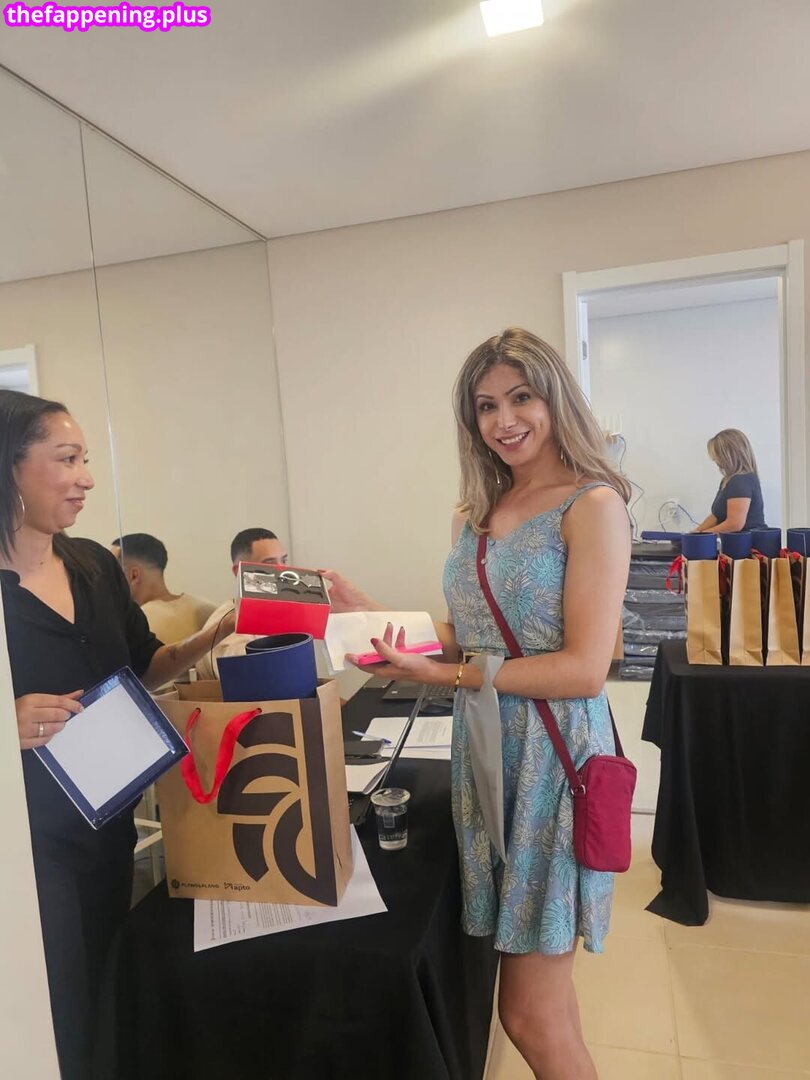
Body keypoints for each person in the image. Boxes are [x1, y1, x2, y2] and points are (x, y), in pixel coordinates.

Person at [348, 329, 631, 1080]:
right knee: (551, 1002)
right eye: (485, 406)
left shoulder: (592, 505)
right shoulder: (474, 511)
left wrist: (451, 676)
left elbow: (584, 670)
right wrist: (369, 614)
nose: (504, 420)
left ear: (554, 400)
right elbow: (462, 632)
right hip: (485, 749)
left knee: (530, 1015)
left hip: (552, 759)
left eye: (520, 398)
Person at [0, 389, 236, 1080]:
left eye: (85, 460)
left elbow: (142, 664)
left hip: (109, 823)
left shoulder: (95, 566)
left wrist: (207, 637)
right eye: (67, 459)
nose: (86, 479)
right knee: (55, 1005)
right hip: (29, 844)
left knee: (106, 982)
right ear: (11, 467)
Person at [194, 527, 376, 681]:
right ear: (239, 571)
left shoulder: (281, 613)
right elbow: (251, 677)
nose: (284, 572)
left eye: (284, 561)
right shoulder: (226, 624)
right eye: (270, 564)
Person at [110, 531, 217, 644]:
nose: (107, 580)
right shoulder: (210, 611)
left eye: (112, 570)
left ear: (134, 575)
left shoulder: (134, 626)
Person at [693, 428, 766, 534]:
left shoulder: (741, 481)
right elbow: (716, 516)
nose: (714, 460)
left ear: (728, 455)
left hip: (749, 542)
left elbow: (734, 524)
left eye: (716, 455)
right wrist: (694, 533)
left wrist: (701, 536)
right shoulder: (728, 481)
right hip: (734, 540)